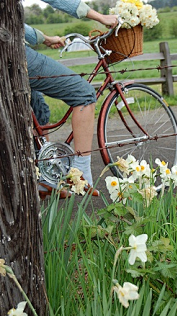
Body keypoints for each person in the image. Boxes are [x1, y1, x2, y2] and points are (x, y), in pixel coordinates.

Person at [25, 1, 118, 199]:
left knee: (38, 108)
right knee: (83, 93)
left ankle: (44, 178)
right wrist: (101, 17)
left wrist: (44, 38)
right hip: (14, 53)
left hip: (12, 48)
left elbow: (12, 24)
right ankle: (80, 172)